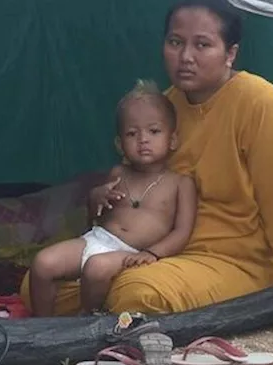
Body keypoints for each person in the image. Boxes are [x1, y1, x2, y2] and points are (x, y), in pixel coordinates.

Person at [21, 0, 273, 316]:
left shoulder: (262, 104)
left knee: (138, 295)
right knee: (38, 281)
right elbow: (137, 192)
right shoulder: (166, 107)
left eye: (202, 45)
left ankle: (109, 311)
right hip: (158, 251)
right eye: (175, 42)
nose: (186, 56)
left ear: (230, 53)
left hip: (231, 260)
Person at [29, 81, 197, 316]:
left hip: (132, 252)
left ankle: (88, 321)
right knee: (42, 263)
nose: (143, 140)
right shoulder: (119, 173)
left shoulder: (180, 183)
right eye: (132, 133)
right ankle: (41, 328)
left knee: (96, 268)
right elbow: (95, 219)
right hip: (97, 239)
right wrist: (96, 198)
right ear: (119, 144)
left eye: (154, 131)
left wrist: (153, 253)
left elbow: (182, 232)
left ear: (172, 140)